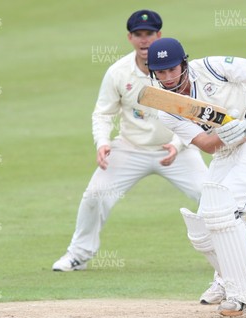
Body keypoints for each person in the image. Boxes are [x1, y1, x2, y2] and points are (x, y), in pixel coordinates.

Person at [52, 10, 208, 271]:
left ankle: (225, 259)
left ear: (159, 35)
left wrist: (178, 144)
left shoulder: (177, 69)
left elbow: (195, 111)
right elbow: (103, 113)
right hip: (130, 148)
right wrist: (102, 143)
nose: (144, 40)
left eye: (149, 34)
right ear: (130, 37)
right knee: (95, 194)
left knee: (210, 194)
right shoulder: (118, 72)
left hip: (177, 149)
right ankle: (78, 254)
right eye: (139, 35)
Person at [146, 37, 246, 316]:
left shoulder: (211, 66)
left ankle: (242, 296)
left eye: (172, 69)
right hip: (226, 151)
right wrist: (225, 134)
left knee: (226, 211)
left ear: (183, 64)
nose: (168, 77)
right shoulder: (165, 105)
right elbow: (207, 145)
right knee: (202, 229)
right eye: (160, 72)